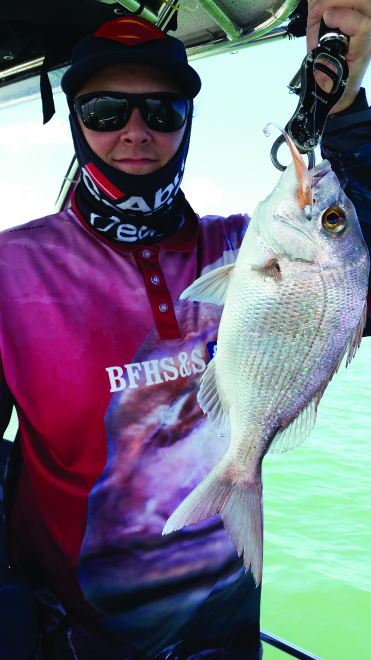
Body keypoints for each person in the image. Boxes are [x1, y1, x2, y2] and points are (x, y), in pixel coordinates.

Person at [0, 2, 370, 659]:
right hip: (69, 634)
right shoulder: (10, 270)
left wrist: (342, 108)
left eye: (162, 111)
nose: (135, 132)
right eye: (106, 112)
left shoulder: (238, 245)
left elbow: (350, 257)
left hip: (226, 634)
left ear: (188, 123)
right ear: (77, 125)